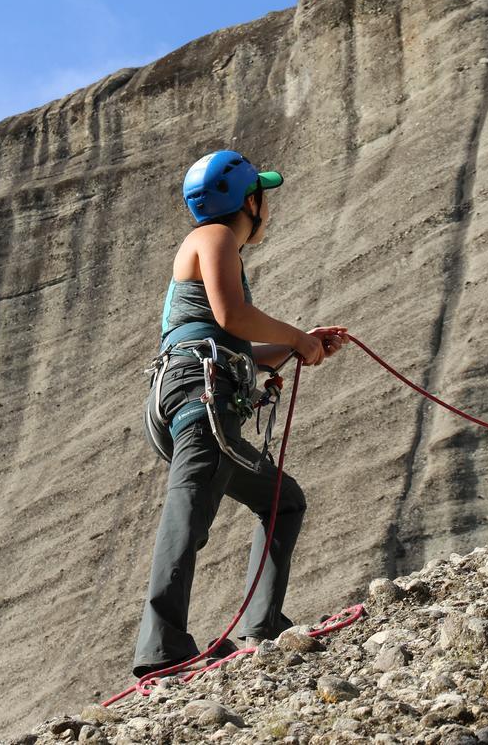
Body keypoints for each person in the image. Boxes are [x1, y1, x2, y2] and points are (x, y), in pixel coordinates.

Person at [133, 150, 348, 678]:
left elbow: (233, 342)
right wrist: (296, 336)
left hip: (191, 391)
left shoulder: (212, 246)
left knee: (282, 502)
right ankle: (161, 649)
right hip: (198, 393)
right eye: (263, 195)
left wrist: (299, 348)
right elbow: (233, 316)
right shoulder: (215, 237)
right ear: (249, 201)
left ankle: (263, 626)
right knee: (188, 510)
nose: (266, 206)